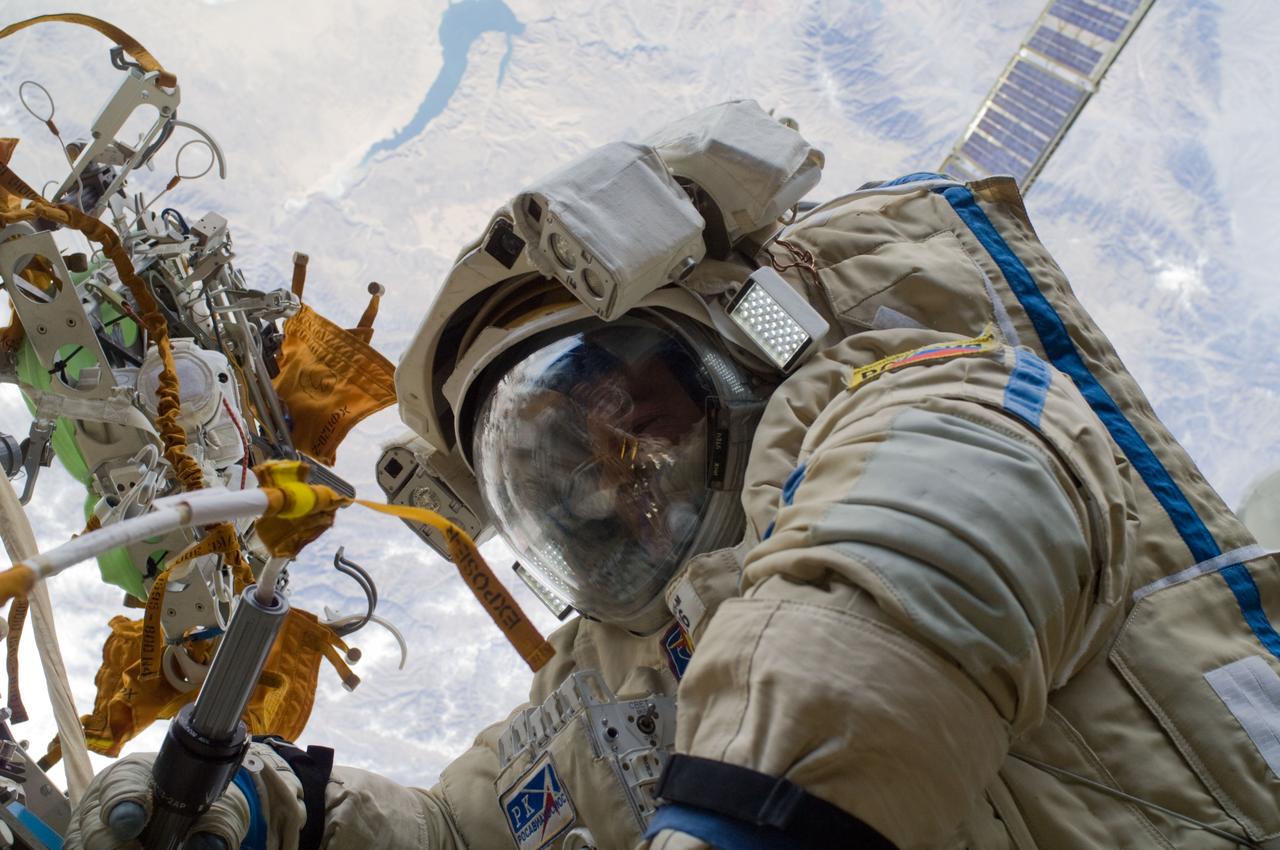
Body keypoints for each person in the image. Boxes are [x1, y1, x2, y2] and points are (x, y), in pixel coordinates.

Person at [68, 101, 1280, 850]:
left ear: (729, 345)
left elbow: (925, 538)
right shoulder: (607, 676)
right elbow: (461, 827)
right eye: (550, 460)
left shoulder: (931, 399)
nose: (613, 462)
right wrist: (272, 810)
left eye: (620, 388)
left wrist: (756, 818)